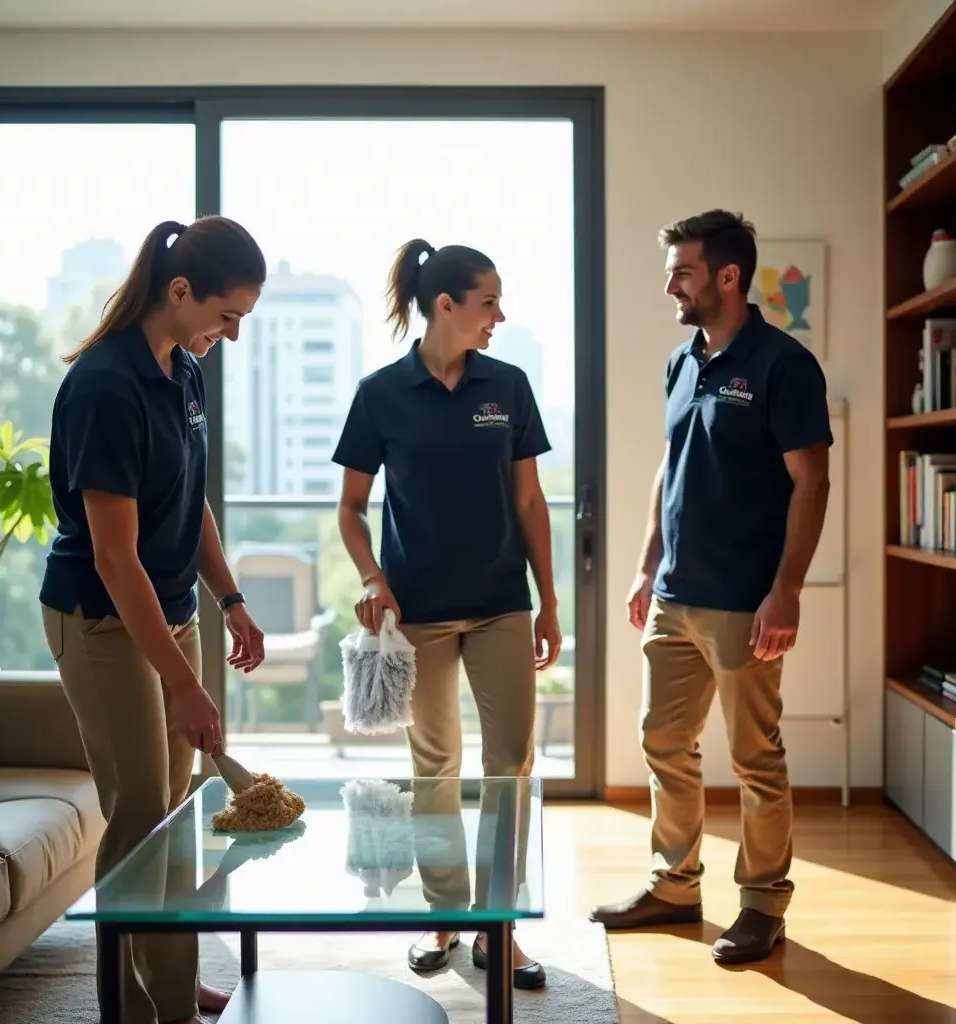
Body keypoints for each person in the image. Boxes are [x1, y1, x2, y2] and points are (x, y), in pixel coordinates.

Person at [39, 216, 269, 1024]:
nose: (231, 335)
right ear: (179, 292)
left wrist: (230, 599)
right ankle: (133, 1007)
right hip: (102, 618)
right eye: (226, 315)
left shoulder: (183, 367)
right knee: (141, 811)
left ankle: (169, 981)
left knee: (175, 815)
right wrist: (184, 686)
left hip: (170, 609)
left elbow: (191, 498)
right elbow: (114, 557)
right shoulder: (106, 387)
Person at [589, 210, 832, 965]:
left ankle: (762, 904)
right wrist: (642, 562)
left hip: (744, 601)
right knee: (663, 741)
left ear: (729, 276)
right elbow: (674, 464)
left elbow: (812, 481)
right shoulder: (682, 361)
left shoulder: (784, 365)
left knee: (756, 756)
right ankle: (675, 885)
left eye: (683, 271)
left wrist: (787, 589)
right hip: (673, 594)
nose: (671, 285)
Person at [332, 239, 562, 989]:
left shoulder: (510, 386)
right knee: (434, 766)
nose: (500, 315)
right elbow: (352, 509)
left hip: (500, 605)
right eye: (489, 301)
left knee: (511, 765)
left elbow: (529, 500)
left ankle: (499, 929)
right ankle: (444, 913)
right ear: (446, 306)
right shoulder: (380, 394)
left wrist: (550, 600)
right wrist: (372, 578)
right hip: (418, 612)